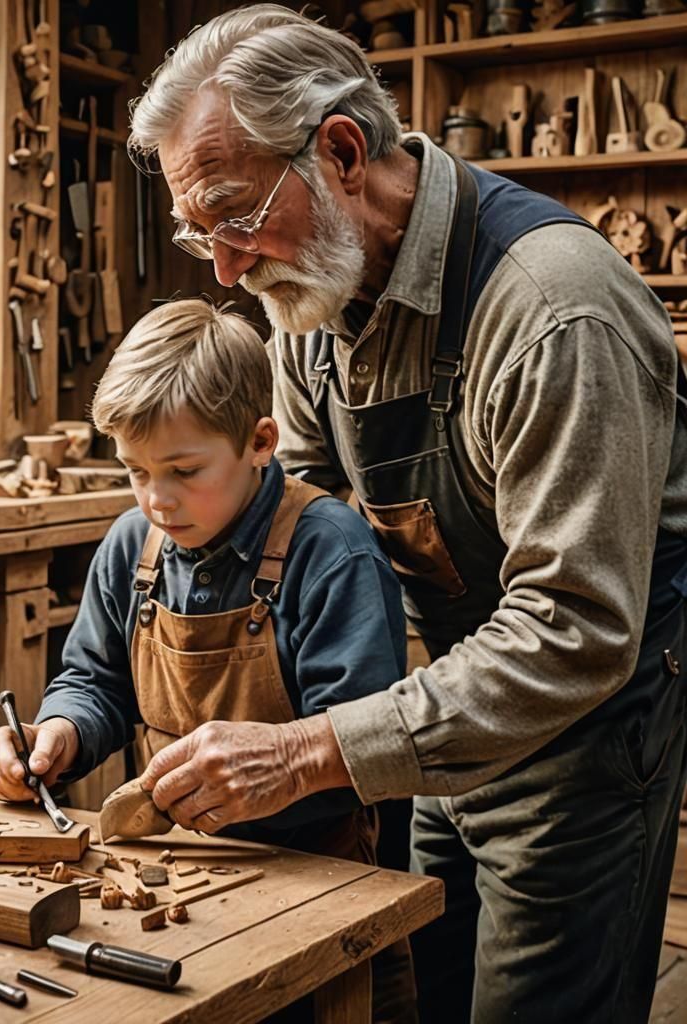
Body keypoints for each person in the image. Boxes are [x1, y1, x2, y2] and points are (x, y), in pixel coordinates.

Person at [124, 5, 687, 1023]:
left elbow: (575, 628)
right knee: (417, 988)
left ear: (341, 150)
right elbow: (301, 526)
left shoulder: (552, 310)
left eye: (234, 212)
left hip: (581, 732)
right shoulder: (310, 298)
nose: (225, 267)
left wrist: (306, 752)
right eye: (195, 231)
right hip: (430, 713)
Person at [0, 298, 415, 1019]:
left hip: (319, 883)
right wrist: (58, 734)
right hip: (175, 875)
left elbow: (365, 751)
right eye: (135, 471)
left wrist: (273, 771)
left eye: (183, 470)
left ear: (260, 440)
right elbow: (95, 681)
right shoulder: (132, 546)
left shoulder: (331, 553)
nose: (156, 500)